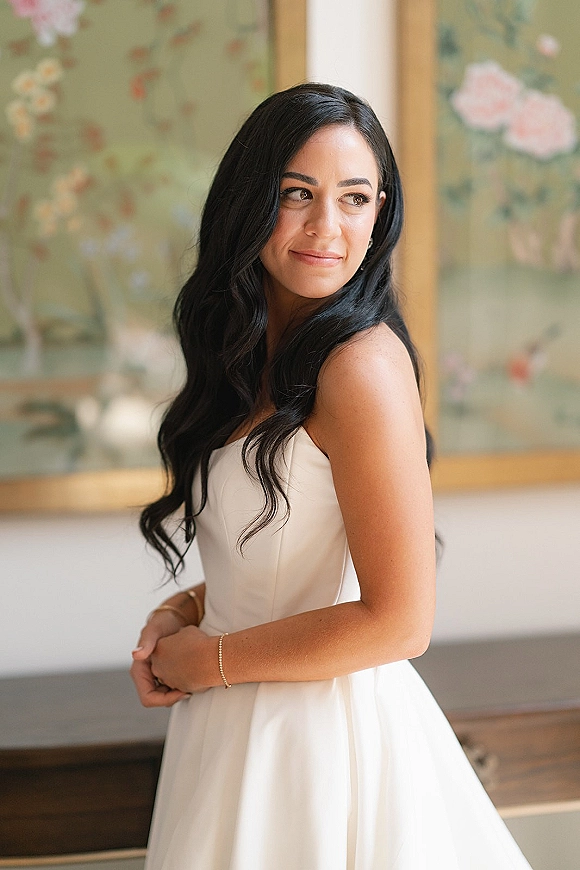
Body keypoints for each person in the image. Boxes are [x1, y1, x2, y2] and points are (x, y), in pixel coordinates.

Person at [131, 83, 533, 869]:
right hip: (231, 725)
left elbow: (398, 620)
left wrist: (204, 660)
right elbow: (293, 554)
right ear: (249, 202)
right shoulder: (250, 357)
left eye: (355, 198)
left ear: (381, 211)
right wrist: (188, 608)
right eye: (297, 195)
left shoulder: (361, 367)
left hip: (315, 743)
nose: (327, 228)